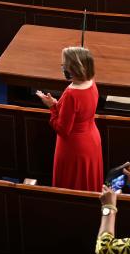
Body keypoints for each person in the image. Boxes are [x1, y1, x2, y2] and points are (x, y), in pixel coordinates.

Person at [36, 46, 103, 191]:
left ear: (73, 67)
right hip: (92, 140)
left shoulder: (71, 93)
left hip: (74, 146)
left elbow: (62, 129)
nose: (63, 68)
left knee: (71, 185)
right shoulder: (91, 82)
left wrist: (52, 108)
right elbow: (79, 112)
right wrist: (57, 104)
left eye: (64, 65)